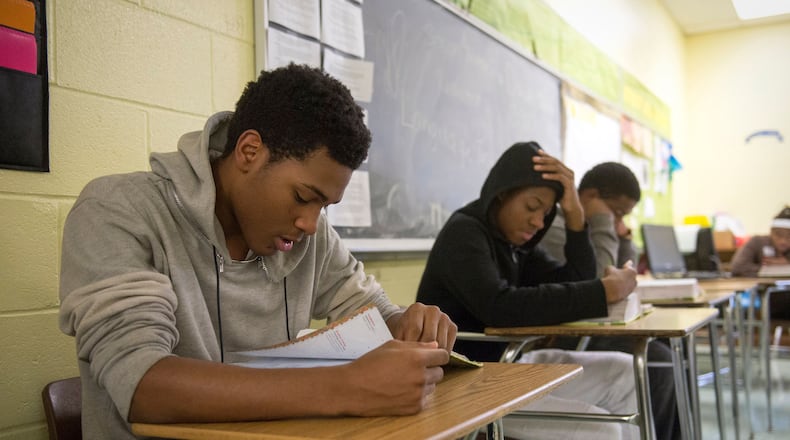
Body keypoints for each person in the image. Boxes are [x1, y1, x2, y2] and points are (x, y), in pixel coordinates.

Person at [58, 64, 458, 439]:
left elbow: (372, 312)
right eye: (304, 196)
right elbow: (142, 385)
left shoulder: (307, 235)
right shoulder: (118, 210)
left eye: (324, 207)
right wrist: (343, 387)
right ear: (250, 151)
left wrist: (406, 324)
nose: (311, 223)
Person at [416, 142, 639, 440]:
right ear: (502, 194)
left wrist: (574, 214)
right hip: (462, 383)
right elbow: (499, 306)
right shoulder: (465, 232)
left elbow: (576, 278)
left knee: (626, 373)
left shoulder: (516, 244)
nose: (538, 221)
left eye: (547, 214)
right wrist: (604, 292)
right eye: (532, 207)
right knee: (601, 428)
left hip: (507, 366)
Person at [539, 162, 680, 440]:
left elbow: (622, 274)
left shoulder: (594, 226)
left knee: (668, 348)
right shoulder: (553, 226)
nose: (618, 221)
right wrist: (604, 224)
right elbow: (600, 284)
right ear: (590, 197)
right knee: (658, 360)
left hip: (587, 324)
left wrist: (624, 237)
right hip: (560, 333)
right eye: (616, 212)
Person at [730, 206, 790, 277]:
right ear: (771, 232)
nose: (783, 241)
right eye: (779, 235)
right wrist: (770, 269)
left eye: (789, 236)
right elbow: (737, 267)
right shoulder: (757, 242)